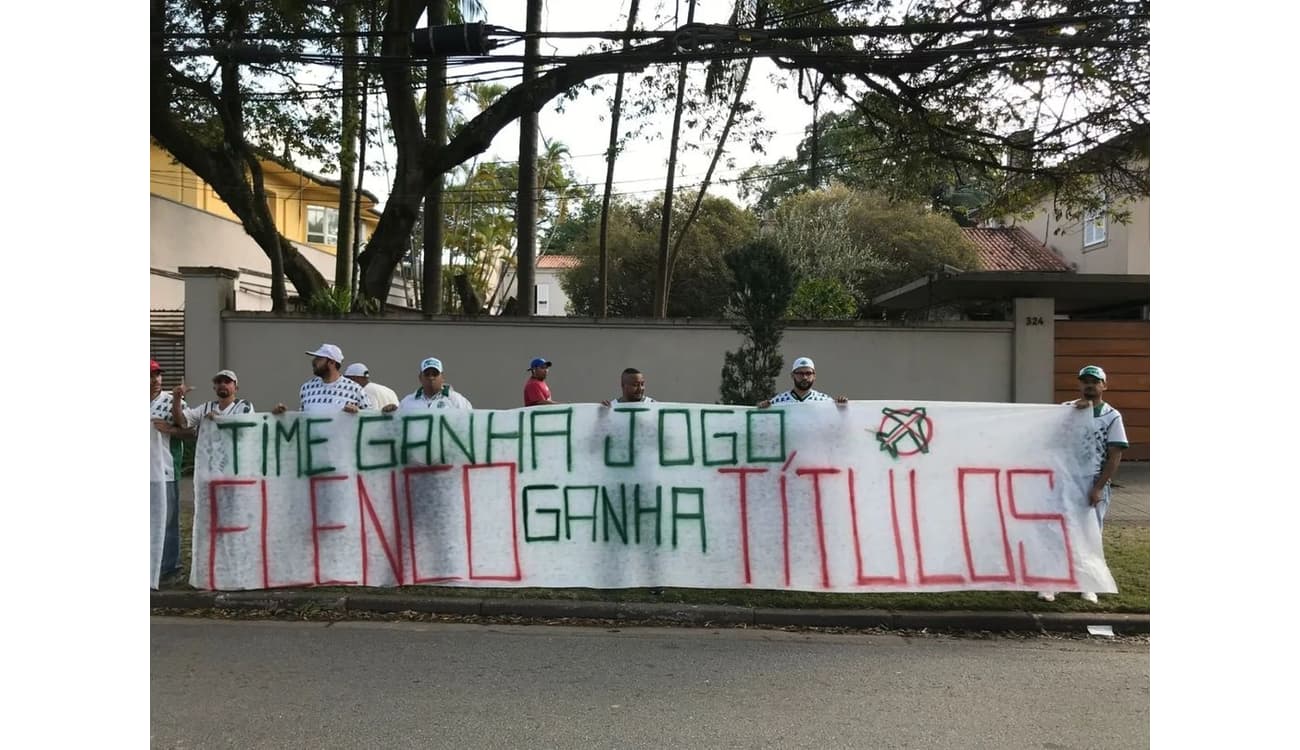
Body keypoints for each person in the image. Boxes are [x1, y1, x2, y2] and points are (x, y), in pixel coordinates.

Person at [1039, 364, 1129, 604]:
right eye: (1085, 381)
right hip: (1066, 481)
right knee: (1057, 531)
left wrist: (1099, 486)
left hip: (1092, 482)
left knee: (1090, 533)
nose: (1090, 385)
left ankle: (1087, 584)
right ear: (1079, 384)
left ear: (1104, 385)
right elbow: (1052, 442)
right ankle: (1053, 582)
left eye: (1095, 381)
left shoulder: (1111, 416)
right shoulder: (1066, 410)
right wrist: (1071, 415)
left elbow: (1115, 454)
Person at [150, 360, 189, 584]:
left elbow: (189, 430)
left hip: (165, 472)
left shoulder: (171, 402)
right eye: (150, 375)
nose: (155, 380)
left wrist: (170, 429)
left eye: (158, 375)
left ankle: (169, 568)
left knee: (168, 521)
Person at [271, 343, 372, 414]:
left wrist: (357, 413)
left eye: (319, 359)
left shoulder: (354, 389)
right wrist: (282, 416)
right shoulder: (307, 388)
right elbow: (302, 419)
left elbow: (371, 418)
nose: (314, 362)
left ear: (332, 363)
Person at [171, 369, 255, 432]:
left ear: (236, 388)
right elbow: (181, 421)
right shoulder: (206, 407)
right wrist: (177, 398)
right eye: (219, 382)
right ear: (214, 388)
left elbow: (244, 431)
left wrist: (218, 420)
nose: (222, 384)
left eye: (227, 381)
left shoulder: (244, 406)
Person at [757, 357, 848, 408]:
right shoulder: (778, 401)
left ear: (814, 376)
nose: (804, 377)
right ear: (792, 375)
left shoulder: (825, 401)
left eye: (808, 373)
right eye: (800, 373)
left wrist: (842, 407)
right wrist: (761, 409)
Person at [391, 357, 473, 411]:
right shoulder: (408, 402)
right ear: (420, 377)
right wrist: (390, 414)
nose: (431, 377)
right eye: (427, 374)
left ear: (442, 377)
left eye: (435, 374)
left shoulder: (457, 401)